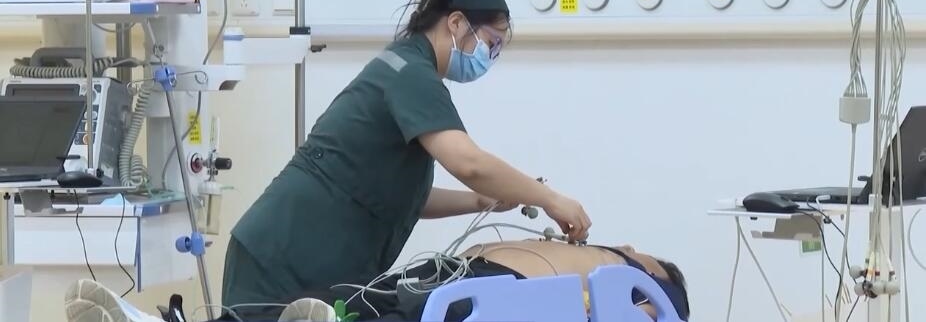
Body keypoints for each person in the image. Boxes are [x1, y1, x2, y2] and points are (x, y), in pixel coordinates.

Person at [221, 0, 592, 320]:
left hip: (300, 256)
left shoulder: (404, 66)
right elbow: (470, 164)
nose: (489, 58)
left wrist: (479, 201)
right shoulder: (412, 75)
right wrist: (550, 199)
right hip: (282, 261)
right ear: (456, 23)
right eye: (490, 44)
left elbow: (399, 194)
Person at [62, 239, 689, 322]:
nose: (638, 247)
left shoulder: (635, 288)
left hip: (481, 300)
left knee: (361, 313)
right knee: (328, 305)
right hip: (446, 279)